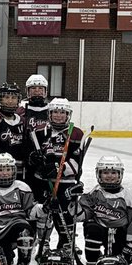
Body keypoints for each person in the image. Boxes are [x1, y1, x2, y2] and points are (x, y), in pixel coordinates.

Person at [28, 98, 87, 253]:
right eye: (55, 112)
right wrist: (34, 160)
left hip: (66, 182)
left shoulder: (76, 134)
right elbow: (32, 156)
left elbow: (76, 162)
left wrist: (58, 169)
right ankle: (43, 242)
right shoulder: (40, 132)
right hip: (43, 181)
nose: (58, 115)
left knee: (67, 213)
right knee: (44, 212)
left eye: (62, 112)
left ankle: (67, 242)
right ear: (49, 114)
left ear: (68, 115)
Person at [77, 154, 132, 265]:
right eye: (105, 172)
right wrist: (72, 202)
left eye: (114, 172)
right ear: (99, 174)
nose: (110, 176)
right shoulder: (95, 193)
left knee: (114, 264)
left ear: (120, 174)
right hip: (99, 231)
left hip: (119, 234)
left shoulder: (129, 197)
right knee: (92, 228)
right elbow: (82, 215)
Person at [0, 152, 40, 265]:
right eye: (0, 170)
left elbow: (30, 212)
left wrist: (42, 208)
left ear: (14, 170)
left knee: (25, 231)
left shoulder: (22, 187)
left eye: (8, 169)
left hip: (17, 226)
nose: (5, 173)